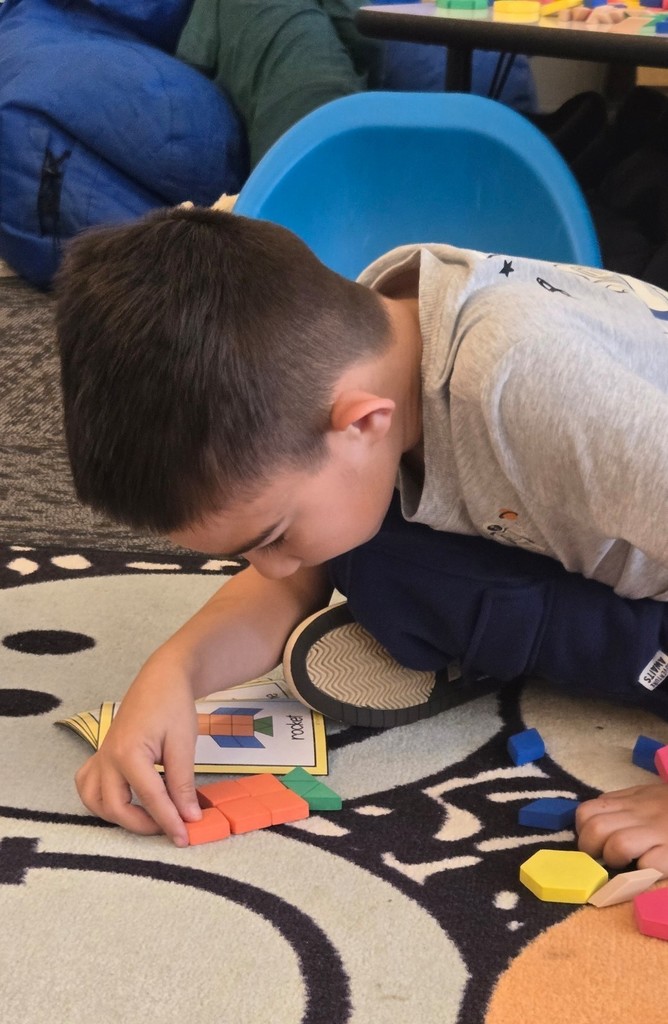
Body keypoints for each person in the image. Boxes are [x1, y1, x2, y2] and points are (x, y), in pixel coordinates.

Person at [55, 206, 668, 876]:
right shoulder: (369, 341)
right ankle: (447, 625)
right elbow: (292, 575)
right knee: (355, 536)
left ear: (363, 422)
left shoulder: (532, 386)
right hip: (601, 526)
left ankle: (456, 632)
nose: (269, 564)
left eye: (272, 535)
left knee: (363, 548)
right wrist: (171, 674)